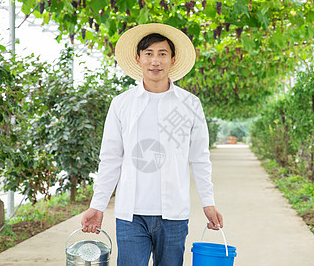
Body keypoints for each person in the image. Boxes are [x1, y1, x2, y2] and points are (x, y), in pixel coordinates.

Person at [80, 23, 223, 266]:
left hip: (174, 214)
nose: (155, 61)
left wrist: (208, 203)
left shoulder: (190, 104)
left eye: (162, 54)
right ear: (138, 59)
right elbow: (111, 158)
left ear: (172, 59)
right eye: (149, 54)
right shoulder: (122, 104)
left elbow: (199, 158)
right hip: (131, 215)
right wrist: (98, 205)